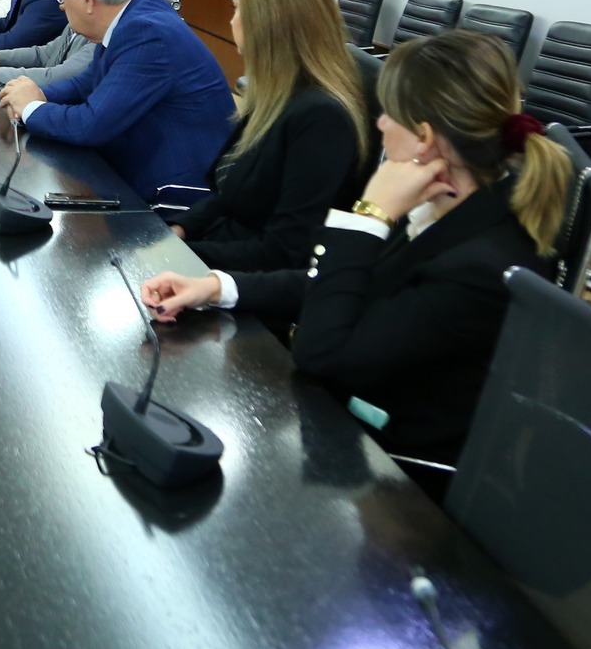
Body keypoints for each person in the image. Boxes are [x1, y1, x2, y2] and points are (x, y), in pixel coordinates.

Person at [139, 30, 567, 468]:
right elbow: (338, 286)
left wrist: (368, 218)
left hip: (394, 464)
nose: (380, 124)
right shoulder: (448, 204)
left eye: (389, 114)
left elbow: (322, 352)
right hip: (353, 418)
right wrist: (216, 287)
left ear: (423, 137)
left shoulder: (478, 263)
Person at [166, 0, 370, 273]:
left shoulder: (321, 119)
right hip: (221, 255)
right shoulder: (275, 92)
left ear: (267, 24)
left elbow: (285, 252)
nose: (231, 20)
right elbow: (227, 197)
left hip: (245, 280)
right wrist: (177, 231)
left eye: (237, 9)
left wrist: (184, 256)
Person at [0, 0, 231, 197]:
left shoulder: (146, 33)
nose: (61, 5)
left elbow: (91, 125)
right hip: (133, 166)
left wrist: (31, 108)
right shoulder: (131, 17)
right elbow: (85, 83)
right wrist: (37, 95)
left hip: (170, 195)